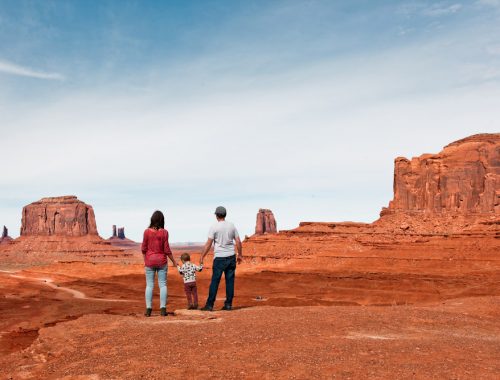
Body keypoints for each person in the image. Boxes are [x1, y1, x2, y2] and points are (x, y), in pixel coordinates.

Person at [200, 206, 243, 311]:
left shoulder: (214, 227)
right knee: (230, 281)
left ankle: (209, 305)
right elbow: (238, 241)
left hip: (219, 258)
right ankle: (228, 305)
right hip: (231, 257)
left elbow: (208, 244)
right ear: (225, 214)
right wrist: (240, 255)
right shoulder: (231, 226)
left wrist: (202, 256)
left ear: (216, 215)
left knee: (215, 281)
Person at [141, 210, 178, 317]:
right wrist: (174, 261)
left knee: (149, 285)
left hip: (149, 261)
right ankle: (163, 309)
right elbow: (167, 249)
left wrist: (146, 260)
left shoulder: (146, 232)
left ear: (152, 219)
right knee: (163, 285)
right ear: (162, 220)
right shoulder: (165, 232)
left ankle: (148, 309)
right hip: (162, 261)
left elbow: (143, 248)